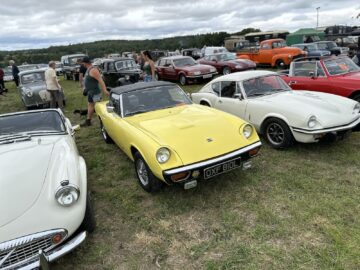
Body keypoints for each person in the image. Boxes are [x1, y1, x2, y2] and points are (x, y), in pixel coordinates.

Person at [80, 56, 109, 126]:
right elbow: (87, 80)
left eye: (83, 63)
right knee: (90, 105)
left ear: (85, 63)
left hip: (95, 92)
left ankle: (105, 122)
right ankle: (88, 121)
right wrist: (85, 88)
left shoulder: (93, 70)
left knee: (100, 108)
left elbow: (101, 81)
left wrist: (104, 90)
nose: (82, 64)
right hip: (90, 92)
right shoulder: (88, 69)